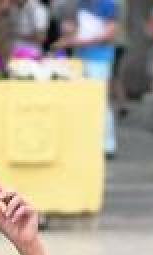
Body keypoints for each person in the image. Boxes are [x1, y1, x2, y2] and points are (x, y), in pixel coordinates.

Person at [54, 0, 119, 157]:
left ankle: (107, 144)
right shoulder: (80, 4)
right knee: (81, 100)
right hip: (80, 57)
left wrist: (78, 41)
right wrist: (69, 33)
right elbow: (74, 29)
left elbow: (109, 33)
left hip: (100, 59)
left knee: (100, 100)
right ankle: (87, 142)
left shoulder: (108, 4)